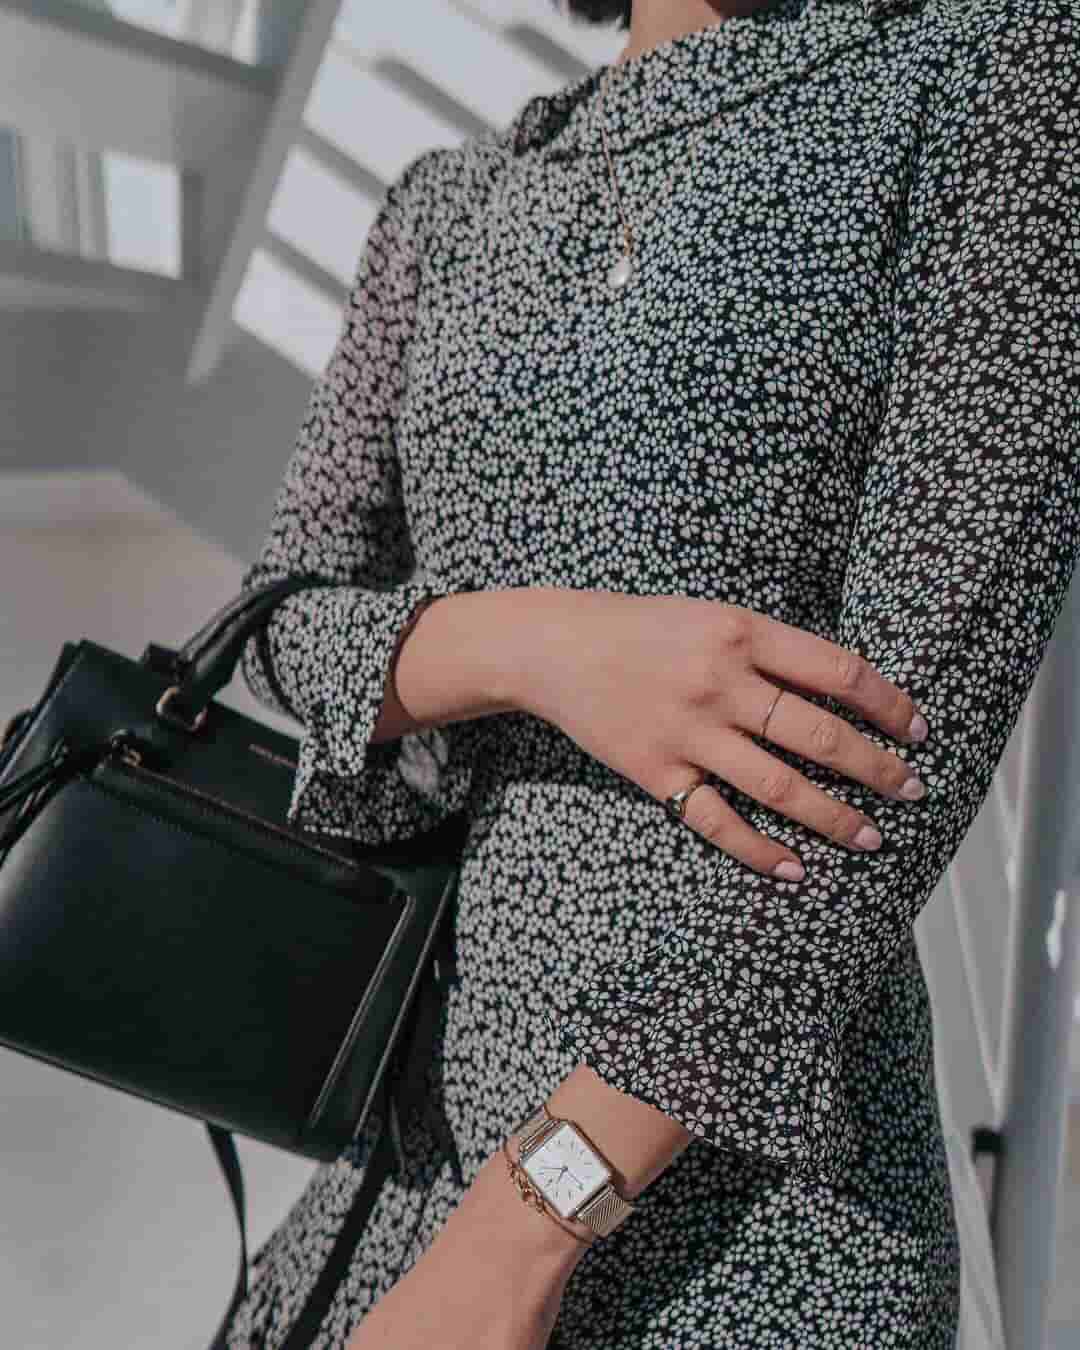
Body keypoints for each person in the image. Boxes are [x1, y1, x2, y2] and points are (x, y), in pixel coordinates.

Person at [225, 0, 1080, 1343]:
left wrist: (523, 1228)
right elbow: (278, 621)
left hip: (749, 1226)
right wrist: (541, 647)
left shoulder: (989, 76)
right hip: (414, 1160)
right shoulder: (449, 204)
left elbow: (898, 747)